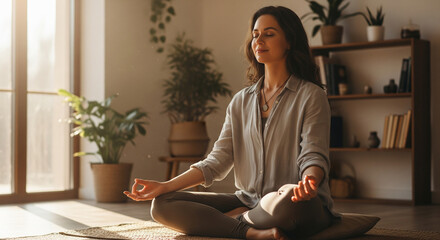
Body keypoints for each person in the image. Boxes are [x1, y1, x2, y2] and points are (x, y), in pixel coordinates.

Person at [124, 6, 339, 240]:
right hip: (248, 199)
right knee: (162, 204)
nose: (259, 40)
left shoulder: (311, 95)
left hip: (295, 202)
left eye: (269, 33)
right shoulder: (240, 102)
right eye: (255, 35)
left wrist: (309, 181)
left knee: (287, 202)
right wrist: (166, 186)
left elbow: (313, 154)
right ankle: (252, 231)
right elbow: (217, 161)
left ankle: (234, 220)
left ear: (289, 41)